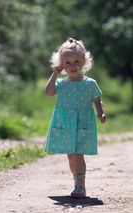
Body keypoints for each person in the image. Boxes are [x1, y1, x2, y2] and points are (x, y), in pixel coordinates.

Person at [44, 38, 106, 198]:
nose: (72, 66)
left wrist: (100, 112)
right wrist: (54, 73)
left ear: (84, 61)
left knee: (78, 154)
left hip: (83, 123)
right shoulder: (61, 83)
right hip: (65, 124)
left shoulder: (90, 83)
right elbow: (49, 93)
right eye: (68, 62)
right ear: (62, 64)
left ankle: (81, 186)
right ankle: (76, 180)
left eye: (76, 61)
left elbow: (97, 100)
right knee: (70, 155)